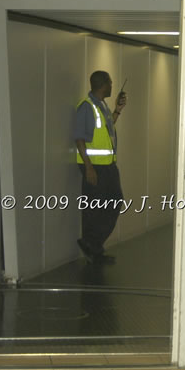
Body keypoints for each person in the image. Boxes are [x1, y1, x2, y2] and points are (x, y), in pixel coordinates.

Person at [73, 70, 126, 265]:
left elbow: (107, 128)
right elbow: (79, 138)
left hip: (108, 166)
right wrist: (88, 168)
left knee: (114, 202)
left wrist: (118, 110)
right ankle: (92, 246)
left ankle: (93, 245)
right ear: (103, 84)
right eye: (110, 83)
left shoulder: (101, 106)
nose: (112, 86)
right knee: (94, 208)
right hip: (94, 167)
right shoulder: (86, 107)